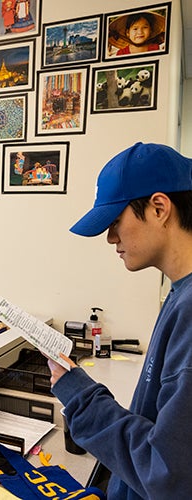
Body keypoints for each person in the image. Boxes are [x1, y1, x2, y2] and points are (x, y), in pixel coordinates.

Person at [46, 142, 192, 498]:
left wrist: (80, 396)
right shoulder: (178, 292)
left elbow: (166, 473)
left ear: (159, 208)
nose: (111, 238)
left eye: (114, 222)